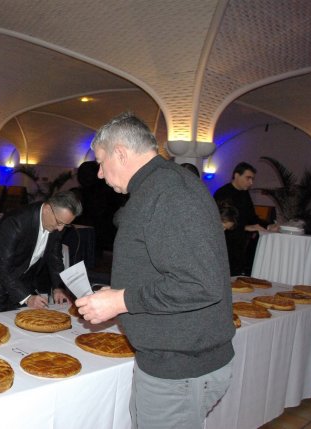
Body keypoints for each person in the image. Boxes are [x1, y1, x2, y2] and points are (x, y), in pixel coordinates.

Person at [75, 113, 234, 429]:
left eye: (102, 162)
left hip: (180, 370)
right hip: (171, 364)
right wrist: (118, 292)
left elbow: (201, 284)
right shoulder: (159, 186)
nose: (100, 173)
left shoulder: (169, 192)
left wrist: (121, 301)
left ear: (121, 153)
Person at [0, 190, 81, 314]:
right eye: (59, 222)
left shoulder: (57, 222)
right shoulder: (15, 221)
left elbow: (55, 257)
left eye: (66, 225)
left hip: (18, 276)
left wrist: (58, 287)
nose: (60, 229)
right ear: (47, 209)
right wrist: (27, 298)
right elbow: (2, 268)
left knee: (21, 318)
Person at [214, 162, 277, 275]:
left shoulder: (245, 194)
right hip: (224, 244)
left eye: (252, 179)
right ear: (236, 175)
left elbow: (252, 217)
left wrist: (268, 225)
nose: (251, 182)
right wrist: (245, 227)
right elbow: (220, 222)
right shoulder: (222, 193)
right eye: (248, 178)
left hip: (240, 244)